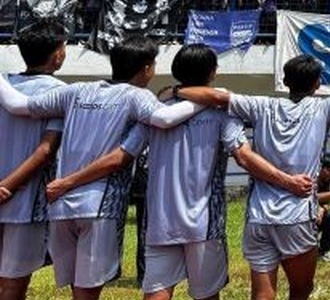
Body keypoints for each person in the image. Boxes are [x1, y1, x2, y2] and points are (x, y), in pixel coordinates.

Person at [46, 43, 314, 300]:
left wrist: (68, 181)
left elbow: (120, 156)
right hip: (202, 223)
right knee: (206, 294)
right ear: (212, 72)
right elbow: (243, 157)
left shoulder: (155, 112)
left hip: (160, 221)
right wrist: (287, 181)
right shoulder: (221, 114)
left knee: (157, 292)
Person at [173, 54, 330, 300]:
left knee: (262, 293)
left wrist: (177, 91)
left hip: (259, 216)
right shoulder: (324, 107)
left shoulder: (261, 105)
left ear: (285, 80)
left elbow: (215, 97)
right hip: (297, 215)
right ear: (317, 84)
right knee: (301, 289)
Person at [0, 36, 206, 300]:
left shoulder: (77, 90)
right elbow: (159, 124)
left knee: (77, 288)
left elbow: (18, 105)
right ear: (146, 69)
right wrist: (210, 98)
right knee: (86, 293)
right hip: (98, 207)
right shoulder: (137, 97)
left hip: (60, 207)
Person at [0, 19, 67, 300]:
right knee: (13, 284)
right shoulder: (61, 92)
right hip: (24, 200)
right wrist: (7, 187)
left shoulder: (5, 85)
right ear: (58, 54)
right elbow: (45, 150)